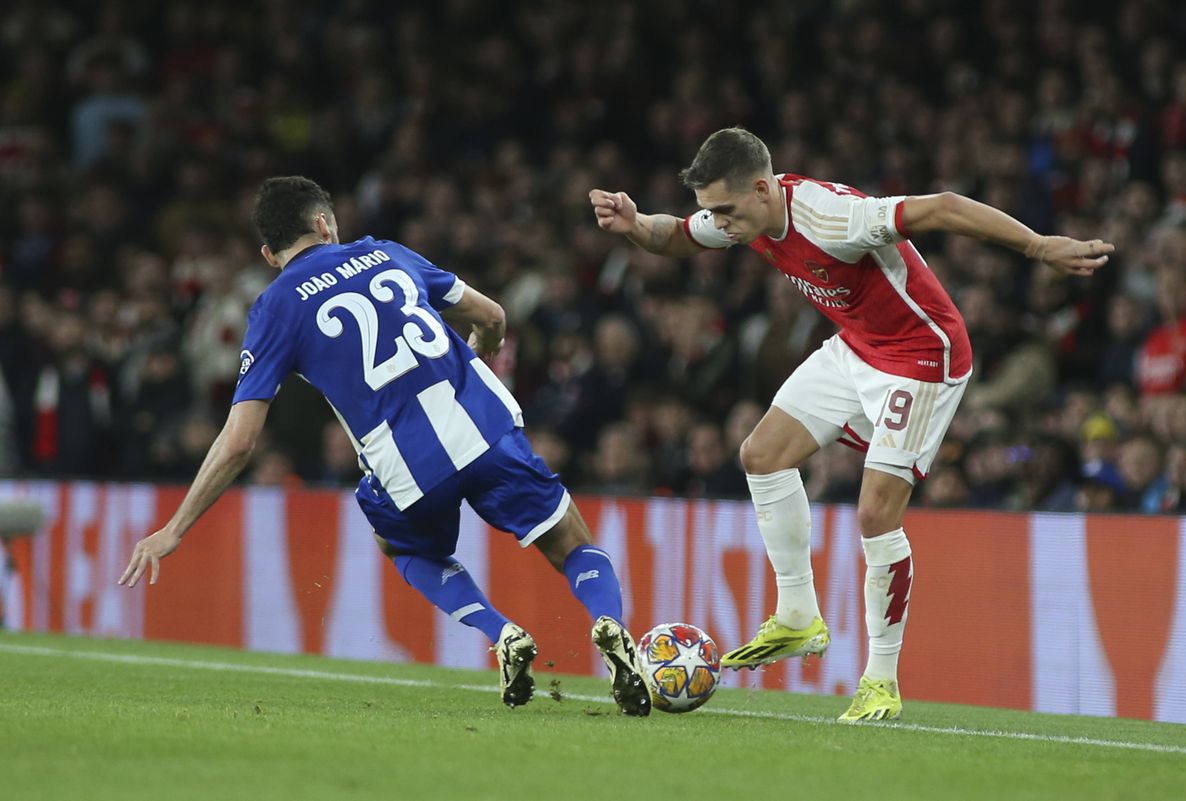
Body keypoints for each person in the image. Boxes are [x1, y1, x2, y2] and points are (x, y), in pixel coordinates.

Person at [590, 127, 1112, 723]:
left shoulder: (835, 218)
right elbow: (677, 236)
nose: (720, 224)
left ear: (763, 189)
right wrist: (633, 224)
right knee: (762, 455)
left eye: (726, 211)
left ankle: (881, 681)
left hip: (922, 356)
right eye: (714, 211)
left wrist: (1040, 247)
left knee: (874, 514)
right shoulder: (746, 216)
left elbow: (942, 207)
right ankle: (796, 616)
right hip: (859, 347)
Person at [120, 176, 651, 717]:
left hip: (406, 463)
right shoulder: (385, 253)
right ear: (325, 224)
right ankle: (609, 622)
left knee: (403, 546)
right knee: (568, 539)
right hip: (483, 426)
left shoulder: (274, 308)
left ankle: (501, 632)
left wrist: (175, 527)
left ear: (268, 252)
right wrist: (482, 350)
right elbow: (492, 316)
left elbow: (239, 441)